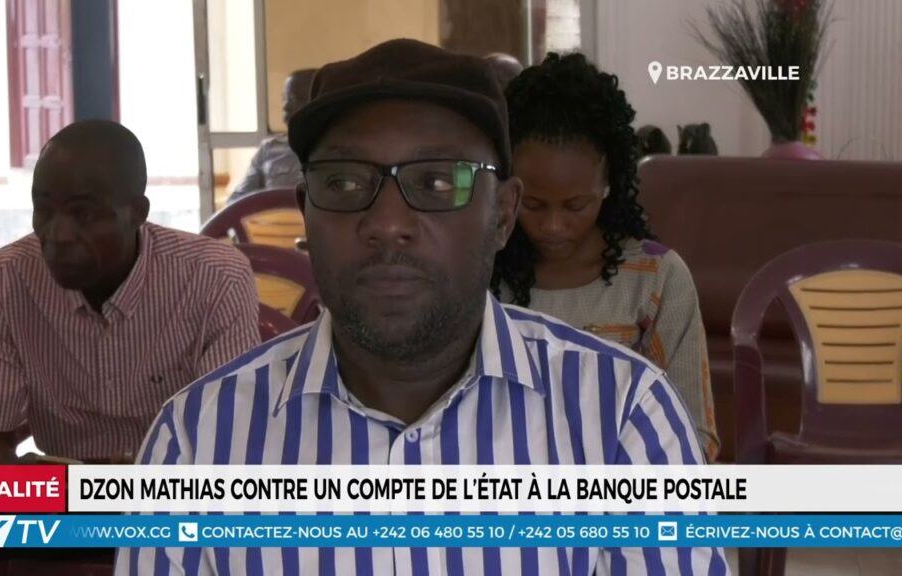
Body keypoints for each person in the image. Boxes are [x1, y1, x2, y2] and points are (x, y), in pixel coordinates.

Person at [120, 39, 727, 574]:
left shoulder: (623, 418)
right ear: (306, 212)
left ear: (503, 215)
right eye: (344, 182)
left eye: (439, 182)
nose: (388, 223)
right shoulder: (196, 442)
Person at [0, 120, 260, 575]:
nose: (57, 234)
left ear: (137, 212)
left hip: (180, 496)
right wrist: (16, 484)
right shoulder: (8, 281)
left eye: (84, 214)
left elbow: (231, 448)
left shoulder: (214, 278)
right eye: (43, 209)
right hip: (66, 498)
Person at [491, 53, 719, 461]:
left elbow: (690, 434)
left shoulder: (656, 280)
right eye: (534, 204)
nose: (553, 226)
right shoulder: (483, 272)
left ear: (608, 183)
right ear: (508, 189)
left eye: (576, 205)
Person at [228, 68, 318, 202]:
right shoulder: (269, 149)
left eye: (293, 99)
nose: (285, 106)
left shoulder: (336, 150)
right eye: (284, 98)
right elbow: (237, 200)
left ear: (316, 102)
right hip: (274, 215)